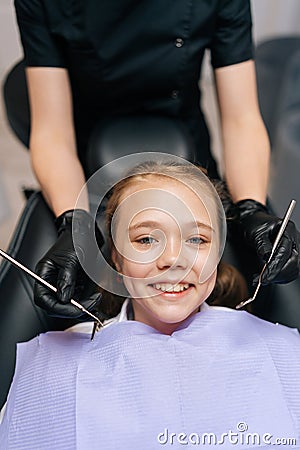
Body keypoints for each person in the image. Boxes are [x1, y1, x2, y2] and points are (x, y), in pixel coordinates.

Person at [14, 0, 299, 317]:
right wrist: (74, 222)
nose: (172, 260)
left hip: (189, 157)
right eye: (148, 240)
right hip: (83, 169)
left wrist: (250, 206)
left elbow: (242, 119)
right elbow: (51, 131)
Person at [1, 158, 299, 449]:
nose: (172, 259)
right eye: (146, 240)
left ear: (217, 255)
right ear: (116, 258)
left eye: (197, 239)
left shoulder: (281, 353)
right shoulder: (56, 367)